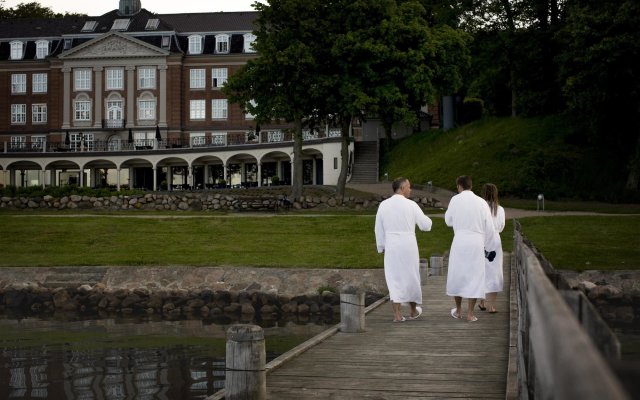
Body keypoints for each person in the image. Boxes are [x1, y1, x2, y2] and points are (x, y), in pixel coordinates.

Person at [375, 177, 433, 322]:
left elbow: (378, 228)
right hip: (408, 245)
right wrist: (429, 221)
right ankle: (413, 311)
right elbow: (426, 226)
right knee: (411, 276)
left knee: (394, 278)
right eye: (408, 187)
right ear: (401, 188)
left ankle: (397, 315)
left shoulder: (384, 205)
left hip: (392, 245)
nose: (410, 189)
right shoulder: (411, 205)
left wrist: (381, 246)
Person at [444, 175, 498, 322]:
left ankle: (459, 310)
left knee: (458, 274)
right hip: (476, 242)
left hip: (460, 240)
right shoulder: (481, 203)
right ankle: (470, 314)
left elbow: (448, 221)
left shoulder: (455, 200)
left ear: (458, 186)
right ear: (471, 186)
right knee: (475, 276)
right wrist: (488, 246)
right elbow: (490, 228)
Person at [478, 183, 505, 313]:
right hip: (494, 240)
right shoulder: (500, 209)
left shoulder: (479, 208)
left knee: (481, 269)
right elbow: (501, 227)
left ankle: (482, 302)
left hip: (481, 239)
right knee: (494, 271)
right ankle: (491, 306)